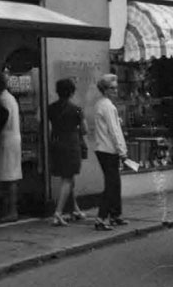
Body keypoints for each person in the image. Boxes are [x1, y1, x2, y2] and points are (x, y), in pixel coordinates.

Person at [48, 78, 87, 226]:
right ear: (71, 92)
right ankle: (58, 213)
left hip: (56, 143)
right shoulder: (76, 109)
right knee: (68, 179)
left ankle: (75, 209)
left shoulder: (51, 108)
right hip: (71, 145)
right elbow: (84, 129)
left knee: (68, 178)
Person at [93, 73, 128, 231]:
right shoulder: (108, 106)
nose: (115, 91)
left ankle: (115, 214)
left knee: (115, 183)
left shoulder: (100, 104)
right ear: (105, 90)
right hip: (109, 149)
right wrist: (122, 150)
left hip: (103, 148)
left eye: (116, 88)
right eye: (112, 88)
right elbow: (114, 131)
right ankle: (101, 218)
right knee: (112, 185)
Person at [0, 72, 22, 222]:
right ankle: (9, 210)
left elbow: (4, 115)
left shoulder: (2, 99)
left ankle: (10, 211)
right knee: (10, 177)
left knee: (7, 178)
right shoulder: (10, 98)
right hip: (13, 139)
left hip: (6, 141)